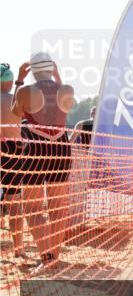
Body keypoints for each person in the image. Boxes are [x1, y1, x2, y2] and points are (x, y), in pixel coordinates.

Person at [11, 53, 75, 267]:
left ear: (32, 70)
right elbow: (65, 103)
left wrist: (20, 79)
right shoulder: (66, 90)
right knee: (58, 207)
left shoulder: (25, 90)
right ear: (52, 68)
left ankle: (47, 258)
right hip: (61, 149)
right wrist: (58, 75)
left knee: (33, 208)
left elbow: (14, 112)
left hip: (35, 149)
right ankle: (54, 258)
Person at [1, 63, 26, 258]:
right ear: (9, 82)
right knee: (15, 202)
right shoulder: (14, 102)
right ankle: (19, 250)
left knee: (8, 201)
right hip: (12, 152)